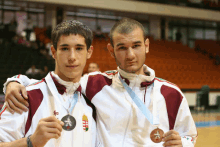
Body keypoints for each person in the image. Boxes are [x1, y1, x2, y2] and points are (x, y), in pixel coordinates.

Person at [3, 18, 197, 147]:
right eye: (122, 48)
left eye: (136, 46)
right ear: (111, 51)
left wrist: (183, 143)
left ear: (146, 46)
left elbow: (190, 136)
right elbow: (58, 83)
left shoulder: (172, 94)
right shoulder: (96, 85)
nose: (130, 55)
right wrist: (15, 82)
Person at [0, 20, 96, 147]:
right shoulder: (24, 96)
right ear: (54, 52)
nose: (72, 56)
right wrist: (30, 142)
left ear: (89, 52)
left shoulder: (92, 101)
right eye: (65, 48)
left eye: (79, 48)